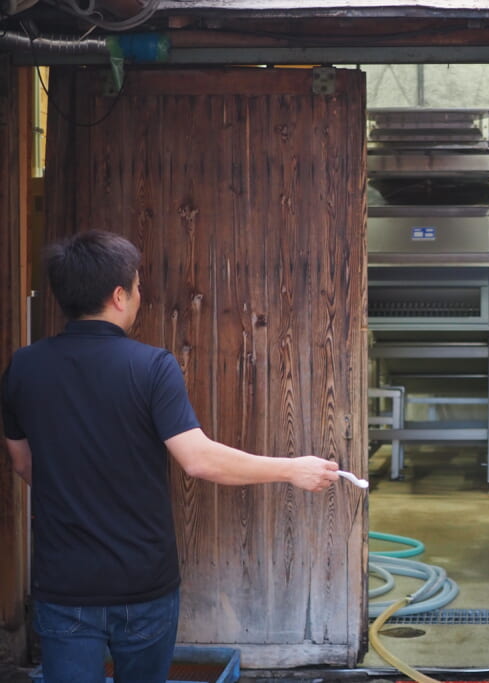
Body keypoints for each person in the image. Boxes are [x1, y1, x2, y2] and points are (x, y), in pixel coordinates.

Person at [1, 231, 344, 683]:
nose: (141, 296)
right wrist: (292, 469)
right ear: (119, 296)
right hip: (141, 581)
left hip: (63, 581)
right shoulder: (150, 366)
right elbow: (199, 460)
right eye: (138, 287)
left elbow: (24, 464)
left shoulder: (23, 367)